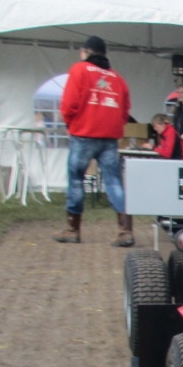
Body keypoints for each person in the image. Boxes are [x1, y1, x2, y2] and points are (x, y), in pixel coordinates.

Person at [54, 36, 133, 246]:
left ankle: (72, 229)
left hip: (83, 134)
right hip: (110, 138)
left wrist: (70, 125)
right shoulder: (117, 78)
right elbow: (125, 110)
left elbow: (68, 103)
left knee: (76, 180)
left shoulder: (79, 70)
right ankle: (125, 231)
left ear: (86, 52)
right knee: (114, 182)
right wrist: (115, 126)